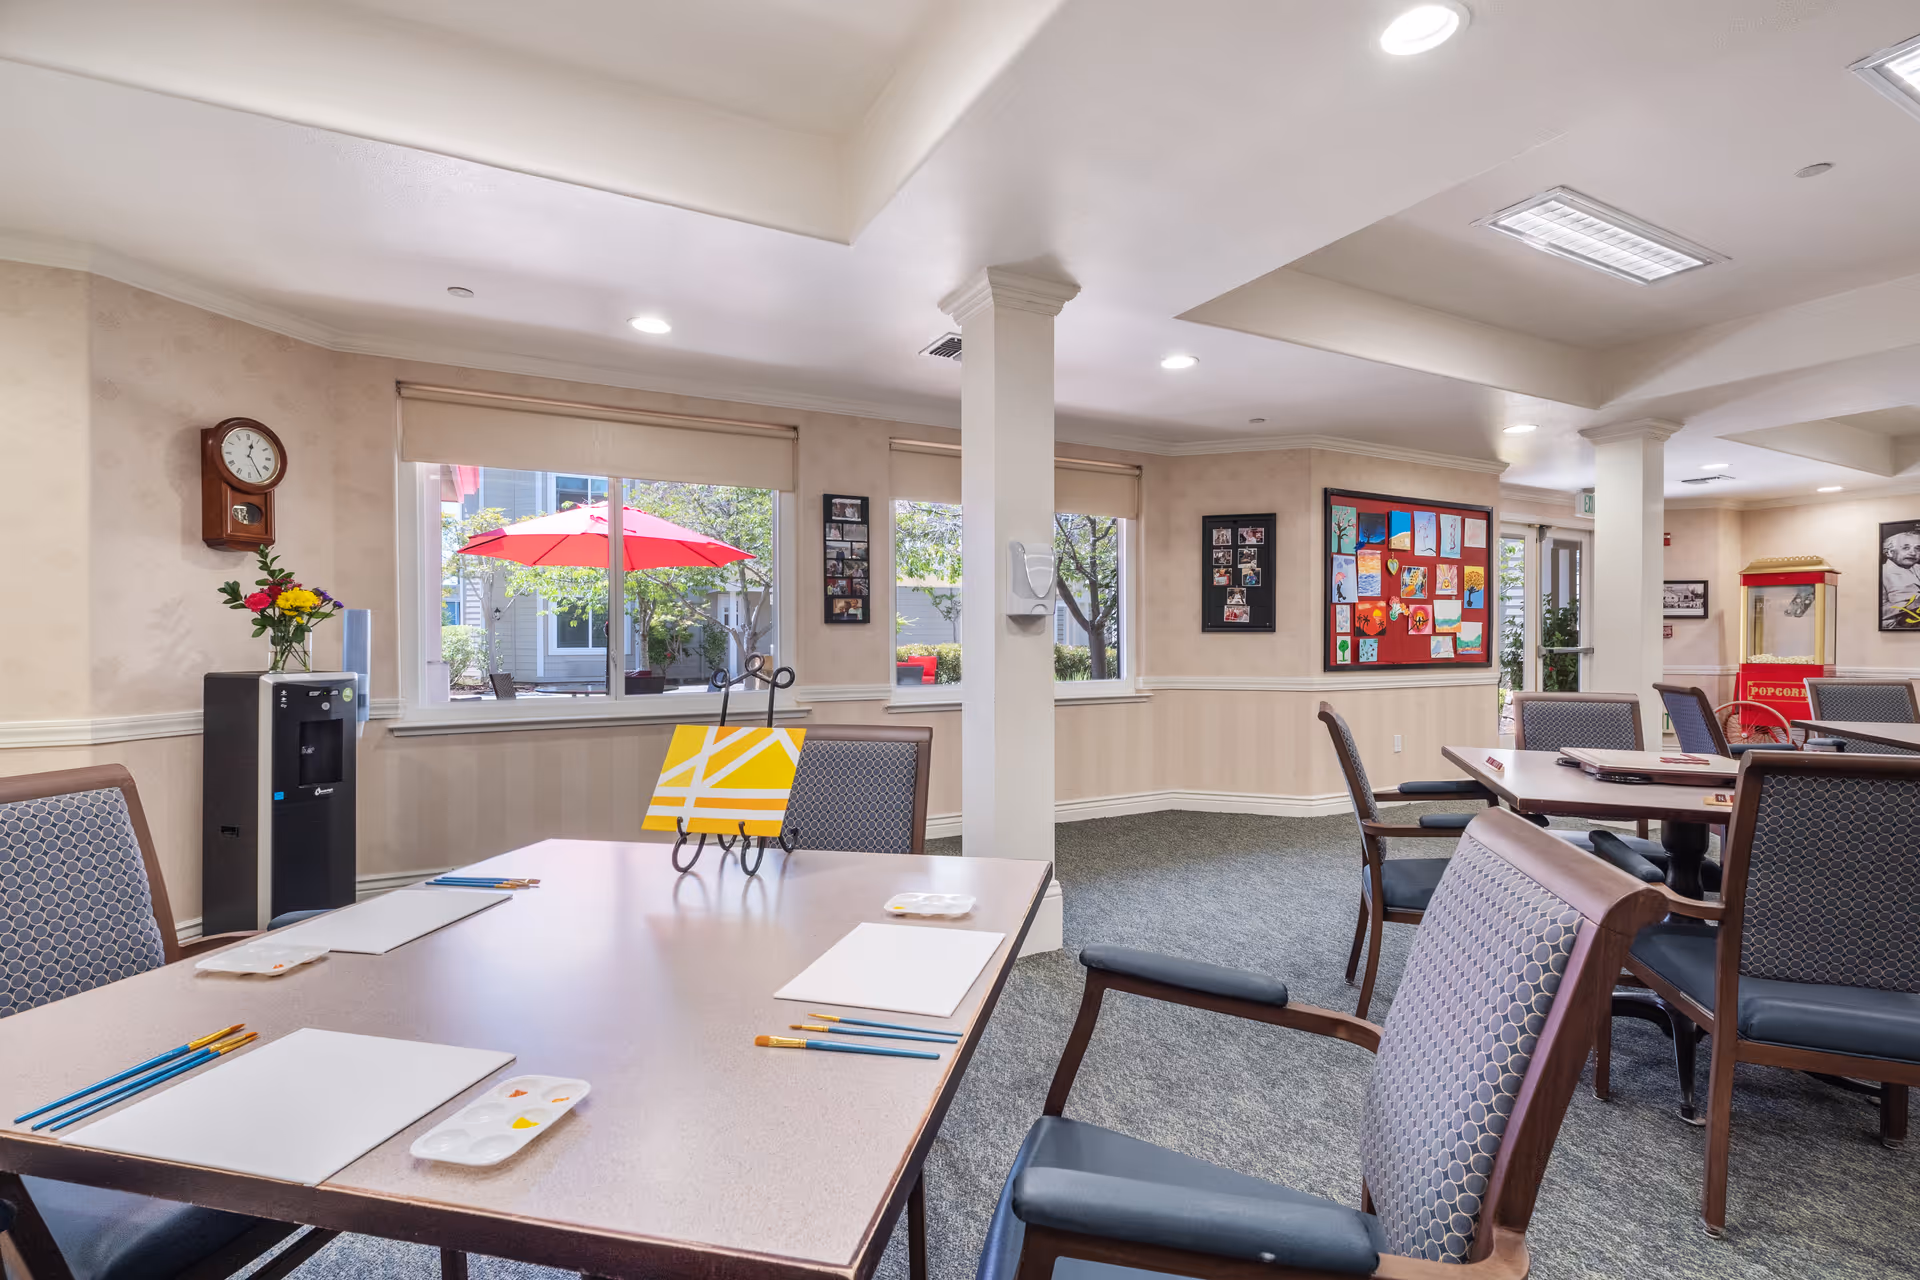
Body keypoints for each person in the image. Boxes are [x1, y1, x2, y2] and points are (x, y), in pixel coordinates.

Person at [1882, 530, 1920, 628]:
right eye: (1906, 548)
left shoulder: (1918, 568)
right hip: (1899, 623)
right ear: (1890, 552)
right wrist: (1910, 605)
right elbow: (1876, 610)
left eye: (1918, 548)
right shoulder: (1882, 573)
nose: (1913, 553)